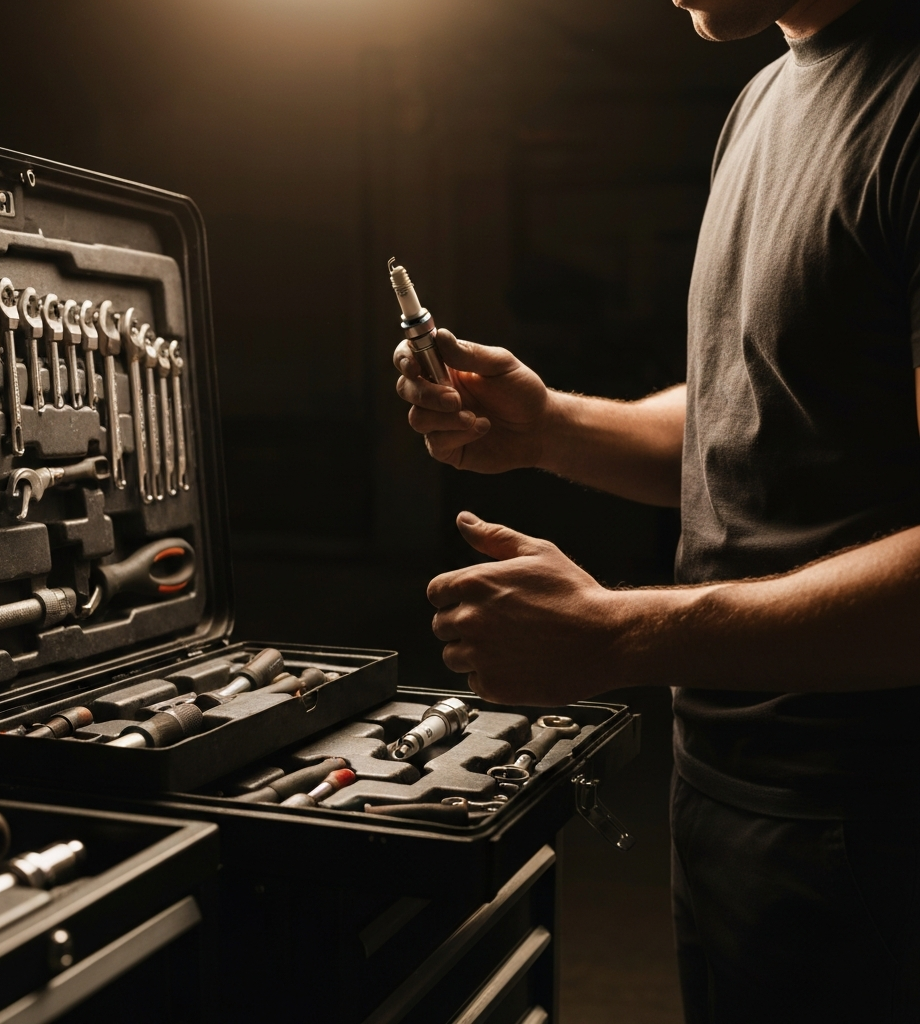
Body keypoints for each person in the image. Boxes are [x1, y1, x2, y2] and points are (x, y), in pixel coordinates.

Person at [392, 0, 920, 1020]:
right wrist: (549, 426)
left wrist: (626, 631)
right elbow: (767, 413)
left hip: (877, 823)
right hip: (725, 786)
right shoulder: (765, 95)